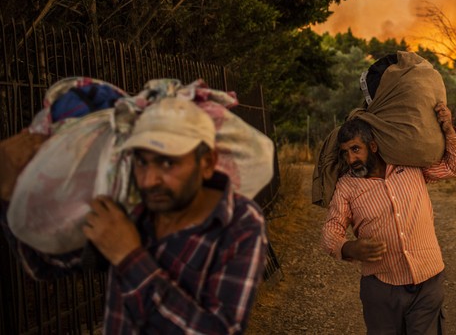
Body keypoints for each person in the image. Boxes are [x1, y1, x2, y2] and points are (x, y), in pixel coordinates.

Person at [0, 96, 267, 334]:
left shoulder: (239, 223)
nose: (150, 180)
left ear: (206, 163)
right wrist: (9, 192)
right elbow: (45, 265)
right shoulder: (132, 206)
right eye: (142, 161)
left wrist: (129, 258)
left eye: (167, 162)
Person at [321, 101, 456, 334]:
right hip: (381, 288)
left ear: (372, 146)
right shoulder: (346, 186)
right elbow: (331, 232)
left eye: (355, 149)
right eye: (345, 153)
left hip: (428, 281)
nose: (351, 160)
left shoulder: (410, 166)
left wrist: (448, 128)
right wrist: (350, 248)